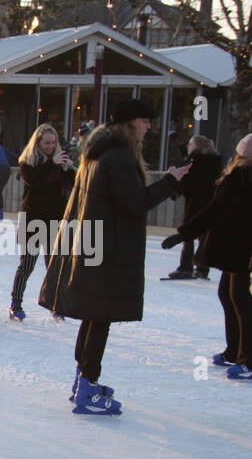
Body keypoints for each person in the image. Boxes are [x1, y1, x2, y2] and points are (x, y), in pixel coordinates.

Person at [39, 99, 191, 415]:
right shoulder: (119, 156)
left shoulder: (99, 154)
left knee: (95, 315)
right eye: (145, 120)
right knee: (100, 317)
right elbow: (135, 202)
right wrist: (171, 181)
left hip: (96, 245)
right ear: (128, 123)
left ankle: (84, 381)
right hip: (109, 250)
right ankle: (87, 387)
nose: (150, 126)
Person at [161, 133, 252, 378]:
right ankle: (234, 351)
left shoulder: (241, 177)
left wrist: (182, 234)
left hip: (241, 248)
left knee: (241, 301)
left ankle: (247, 359)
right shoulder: (236, 175)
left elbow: (214, 210)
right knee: (229, 295)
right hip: (235, 246)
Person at [9, 123, 75, 321]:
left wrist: (69, 169)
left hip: (55, 220)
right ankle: (16, 304)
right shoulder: (27, 162)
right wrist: (52, 164)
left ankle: (56, 304)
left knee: (54, 267)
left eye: (53, 143)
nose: (50, 146)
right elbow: (35, 182)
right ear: (37, 143)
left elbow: (72, 185)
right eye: (46, 142)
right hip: (32, 220)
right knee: (27, 265)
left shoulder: (58, 162)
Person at [167, 134, 223, 279]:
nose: (188, 147)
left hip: (194, 202)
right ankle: (203, 267)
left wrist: (175, 190)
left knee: (188, 234)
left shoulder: (193, 161)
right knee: (204, 235)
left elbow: (185, 181)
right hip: (210, 203)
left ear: (196, 146)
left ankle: (186, 267)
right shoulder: (216, 162)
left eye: (190, 144)